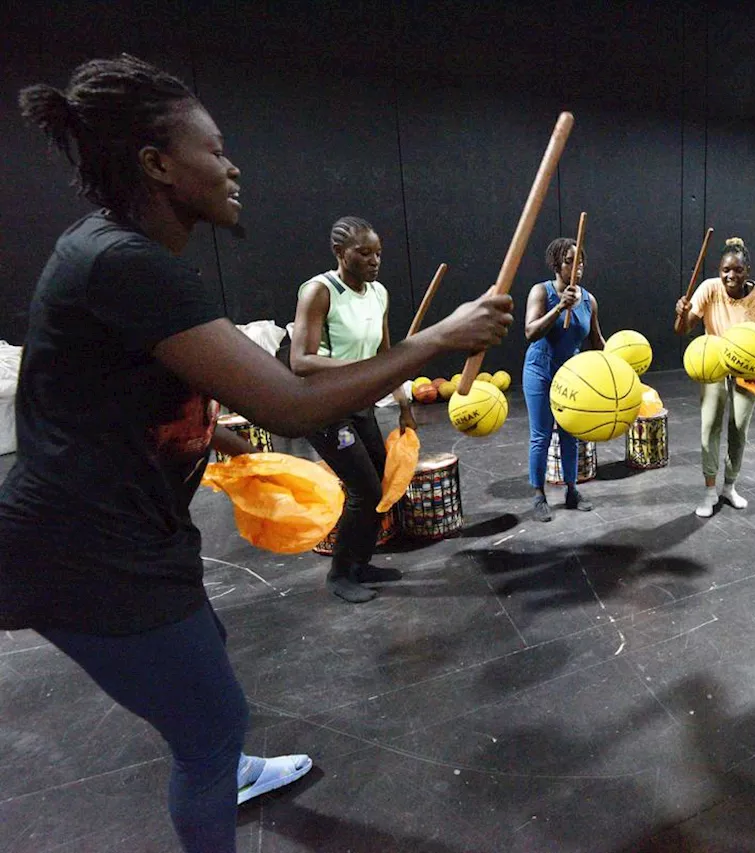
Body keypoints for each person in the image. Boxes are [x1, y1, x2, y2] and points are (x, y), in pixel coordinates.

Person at [1, 55, 512, 852]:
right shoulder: (127, 264)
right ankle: (221, 772)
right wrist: (439, 339)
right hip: (88, 554)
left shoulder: (109, 251)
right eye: (215, 149)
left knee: (208, 655)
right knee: (211, 725)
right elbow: (291, 398)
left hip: (121, 537)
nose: (232, 165)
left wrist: (213, 432)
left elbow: (121, 386)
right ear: (157, 163)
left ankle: (225, 763)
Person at [291, 216, 416, 603]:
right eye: (363, 253)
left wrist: (403, 404)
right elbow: (300, 361)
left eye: (378, 253)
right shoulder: (319, 291)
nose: (374, 260)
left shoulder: (379, 293)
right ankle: (340, 574)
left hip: (359, 403)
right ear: (339, 253)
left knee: (380, 482)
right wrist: (360, 371)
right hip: (324, 407)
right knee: (364, 489)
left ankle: (361, 562)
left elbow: (386, 357)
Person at [674, 237, 755, 518]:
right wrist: (683, 314)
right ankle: (709, 490)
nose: (730, 276)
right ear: (719, 270)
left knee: (739, 430)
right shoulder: (709, 289)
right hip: (714, 366)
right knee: (709, 425)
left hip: (747, 373)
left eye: (737, 270)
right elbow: (682, 329)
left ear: (747, 270)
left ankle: (730, 487)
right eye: (725, 270)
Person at [523, 237, 606, 521]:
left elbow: (597, 342)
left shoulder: (589, 300)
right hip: (539, 371)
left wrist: (617, 366)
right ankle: (538, 495)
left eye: (580, 260)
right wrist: (559, 307)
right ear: (556, 264)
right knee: (541, 436)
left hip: (571, 377)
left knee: (572, 434)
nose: (578, 266)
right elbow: (530, 332)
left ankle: (572, 490)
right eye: (571, 261)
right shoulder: (541, 292)